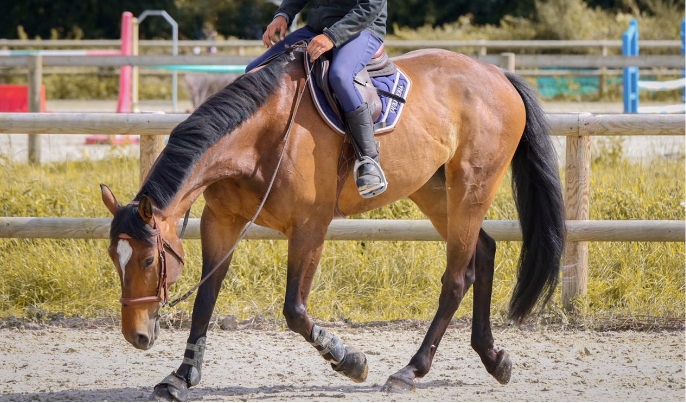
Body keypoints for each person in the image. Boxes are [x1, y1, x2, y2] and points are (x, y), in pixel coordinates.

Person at [246, 0, 388, 198]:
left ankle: (369, 159)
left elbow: (370, 6)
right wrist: (283, 15)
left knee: (340, 76)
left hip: (361, 29)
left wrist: (332, 36)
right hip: (317, 29)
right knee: (254, 72)